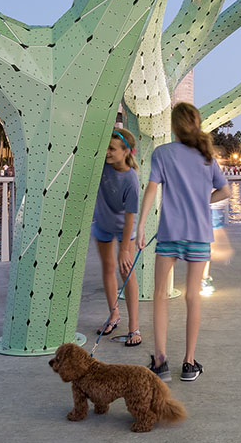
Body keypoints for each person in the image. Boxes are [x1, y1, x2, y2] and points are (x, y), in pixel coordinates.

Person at [135, 102, 230, 383]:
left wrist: (141, 226)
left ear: (174, 127)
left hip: (169, 234)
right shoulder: (206, 157)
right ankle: (189, 364)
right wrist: (204, 202)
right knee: (192, 297)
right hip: (199, 235)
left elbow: (151, 189)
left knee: (160, 295)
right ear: (196, 124)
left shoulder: (162, 153)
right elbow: (224, 190)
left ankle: (161, 361)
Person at [92, 127, 143, 347]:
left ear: (126, 152)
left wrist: (124, 248)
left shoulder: (131, 180)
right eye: (106, 148)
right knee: (107, 267)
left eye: (112, 149)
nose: (107, 152)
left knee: (126, 271)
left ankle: (134, 327)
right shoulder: (101, 166)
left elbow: (130, 216)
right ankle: (114, 315)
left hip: (124, 228)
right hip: (102, 222)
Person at [201, 194, 233, 295]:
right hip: (209, 212)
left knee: (208, 247)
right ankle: (203, 279)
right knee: (208, 247)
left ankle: (203, 278)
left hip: (209, 211)